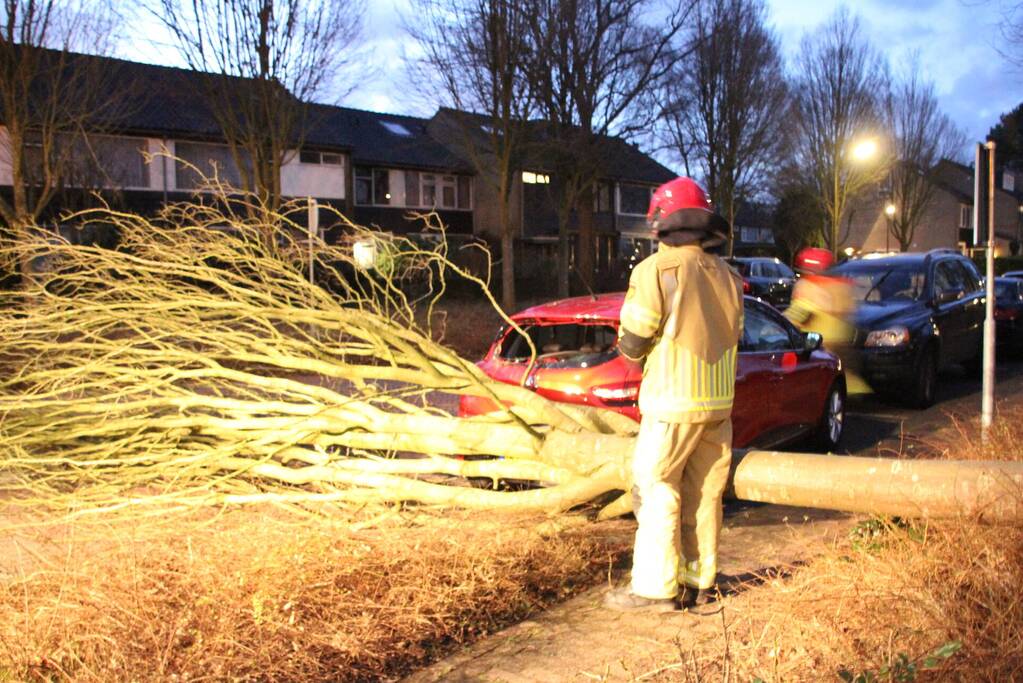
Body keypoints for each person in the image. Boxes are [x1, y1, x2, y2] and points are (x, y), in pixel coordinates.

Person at [604, 177, 744, 613]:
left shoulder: (656, 271)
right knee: (705, 494)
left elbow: (634, 339)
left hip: (671, 402)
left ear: (661, 223)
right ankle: (701, 581)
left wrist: (629, 346)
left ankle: (654, 588)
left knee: (656, 486)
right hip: (718, 406)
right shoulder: (729, 276)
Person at [784, 247, 870, 396]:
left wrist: (773, 327)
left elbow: (797, 315)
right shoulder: (840, 285)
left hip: (819, 344)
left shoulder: (808, 287)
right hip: (841, 341)